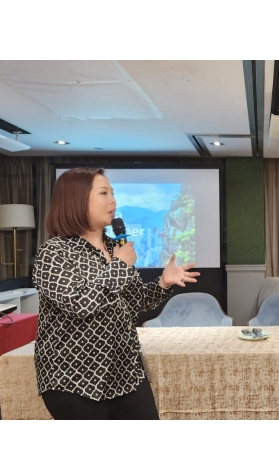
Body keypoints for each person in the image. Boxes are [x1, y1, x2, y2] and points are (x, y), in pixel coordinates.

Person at [32, 167, 200, 420]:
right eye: (103, 193)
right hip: (74, 379)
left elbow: (134, 302)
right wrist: (120, 265)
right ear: (77, 199)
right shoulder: (54, 252)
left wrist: (164, 283)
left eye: (113, 193)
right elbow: (80, 304)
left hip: (125, 374)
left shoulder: (115, 248)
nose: (113, 201)